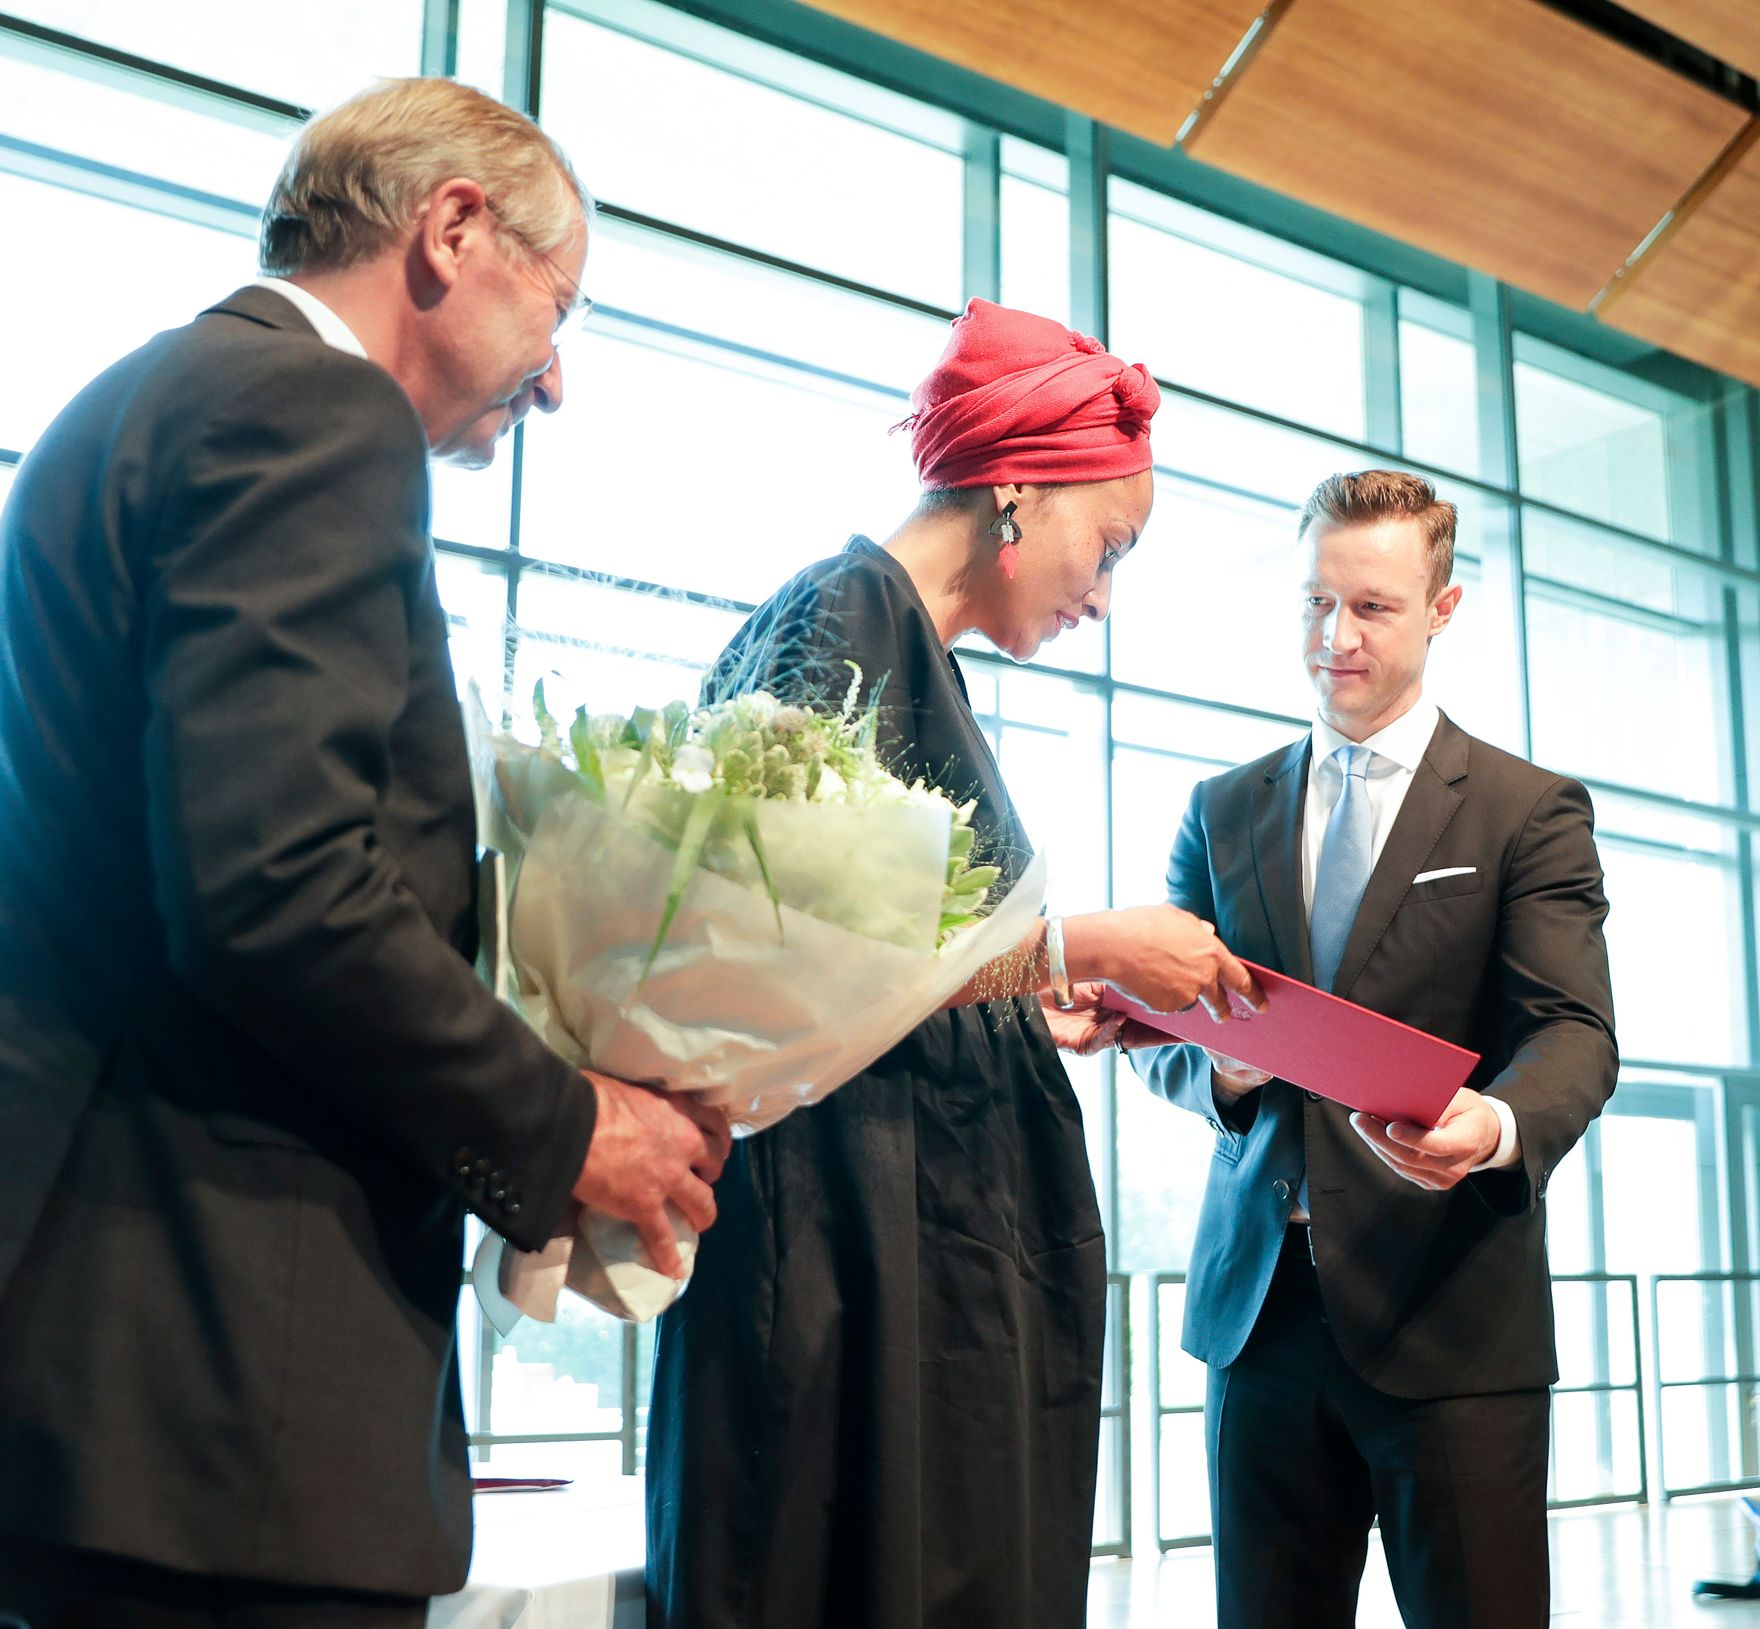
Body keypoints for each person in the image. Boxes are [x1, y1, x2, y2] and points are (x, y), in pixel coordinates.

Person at [0, 77, 727, 1627]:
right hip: (221, 1385)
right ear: (452, 231)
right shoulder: (311, 410)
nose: (552, 380)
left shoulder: (138, 399)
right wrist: (560, 1123)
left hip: (97, 1356)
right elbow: (277, 887)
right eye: (560, 307)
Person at [644, 298, 1260, 1629]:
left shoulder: (899, 646)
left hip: (921, 1251)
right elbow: (786, 943)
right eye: (1110, 547)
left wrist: (1031, 991)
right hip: (851, 1258)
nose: (1102, 595)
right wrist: (1075, 941)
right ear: (1018, 491)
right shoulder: (843, 620)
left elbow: (887, 959)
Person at [1116, 469, 1619, 1627]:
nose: (1331, 637)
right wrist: (1221, 1066)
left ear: (1440, 610)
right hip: (1258, 1318)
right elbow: (1159, 1034)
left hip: (1447, 1313)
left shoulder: (1522, 810)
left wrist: (1490, 1126)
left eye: (1372, 608)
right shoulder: (1220, 808)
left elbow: (1570, 1034)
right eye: (1312, 602)